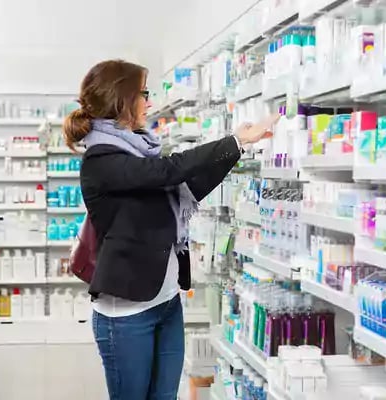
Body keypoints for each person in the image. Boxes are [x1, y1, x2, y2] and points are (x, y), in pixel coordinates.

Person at [62, 59, 278, 400]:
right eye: (143, 94)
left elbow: (188, 186)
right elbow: (167, 171)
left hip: (165, 302)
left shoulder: (138, 149)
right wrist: (231, 138)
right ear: (122, 99)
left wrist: (239, 147)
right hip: (127, 313)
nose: (149, 102)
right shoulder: (101, 161)